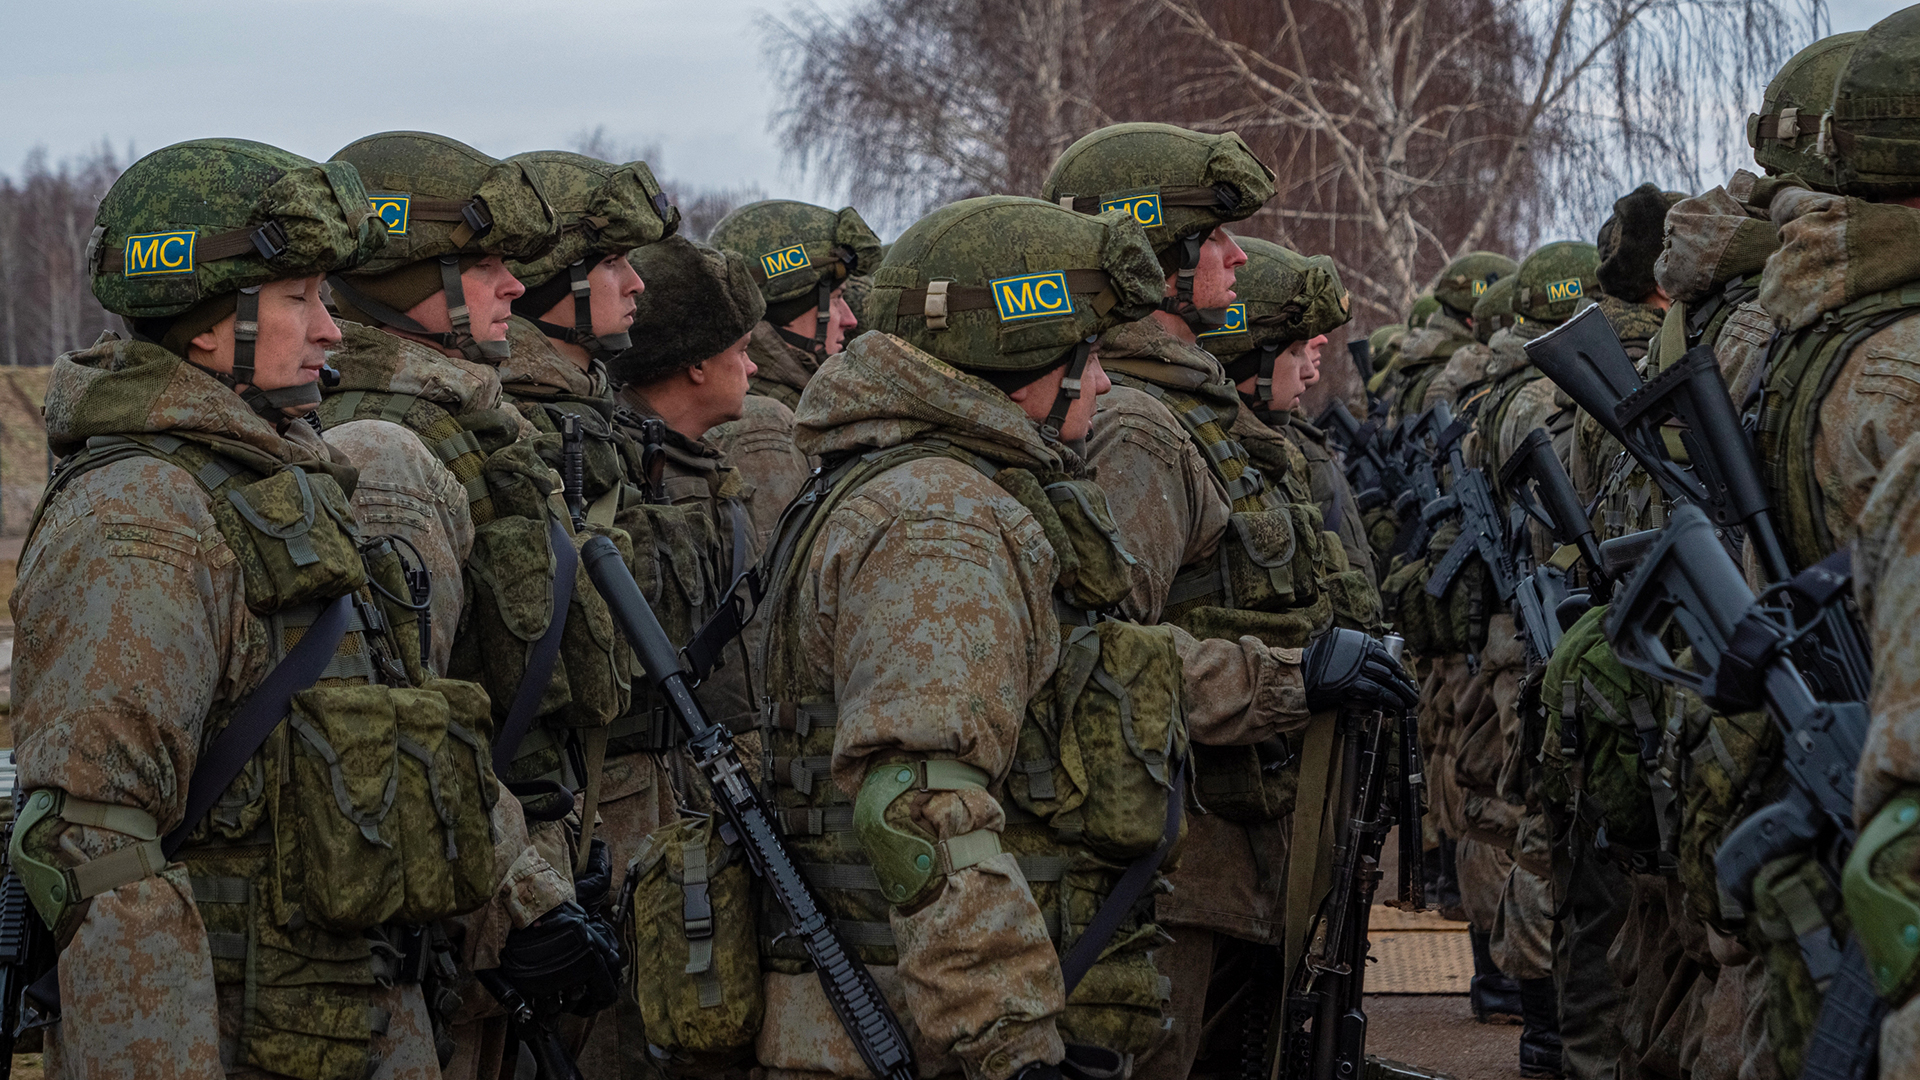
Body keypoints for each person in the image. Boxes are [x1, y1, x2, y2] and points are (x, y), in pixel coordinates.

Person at [8, 137, 505, 1080]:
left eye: (326, 297)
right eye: (298, 300)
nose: (329, 329)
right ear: (209, 323)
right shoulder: (142, 513)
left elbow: (399, 731)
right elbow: (96, 848)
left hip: (351, 1022)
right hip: (240, 1040)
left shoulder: (280, 486)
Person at [1041, 122, 1414, 1080]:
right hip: (1170, 872)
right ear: (1157, 253)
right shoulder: (1140, 427)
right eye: (1215, 241)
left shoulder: (1193, 415)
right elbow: (1095, 662)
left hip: (1230, 856)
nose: (1239, 259)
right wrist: (1296, 678)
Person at [317, 131, 623, 1079]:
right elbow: (401, 732)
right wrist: (522, 902)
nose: (513, 287)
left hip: (507, 863)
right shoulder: (384, 450)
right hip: (461, 899)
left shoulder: (470, 422)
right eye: (485, 265)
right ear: (410, 274)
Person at [704, 201, 883, 546]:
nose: (849, 319)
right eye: (835, 299)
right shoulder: (761, 422)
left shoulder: (800, 402)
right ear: (788, 307)